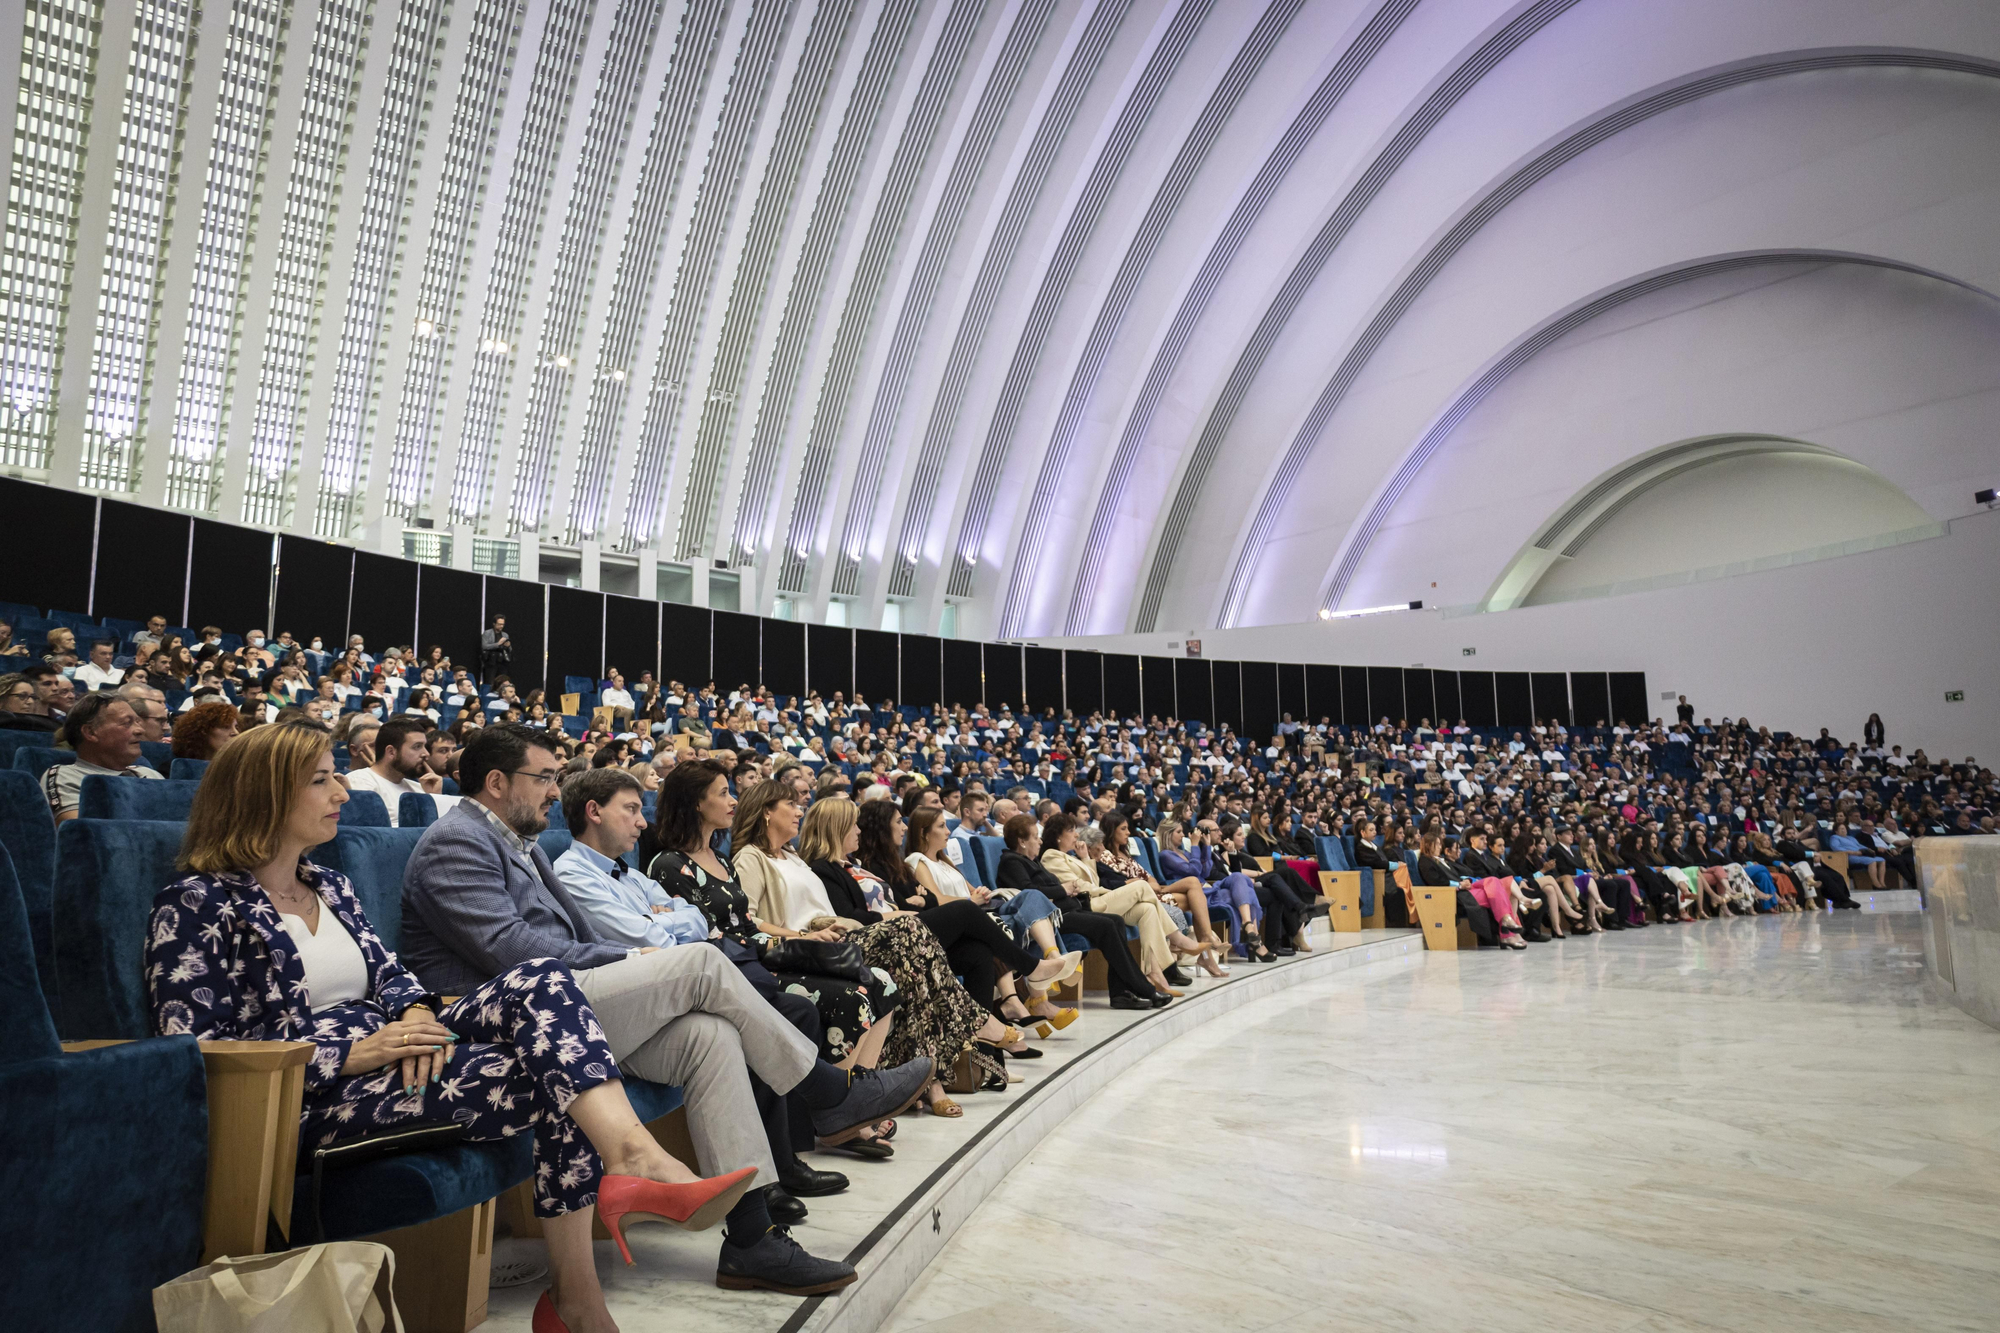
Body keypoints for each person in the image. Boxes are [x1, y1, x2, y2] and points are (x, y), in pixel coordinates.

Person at [145, 722, 763, 1333]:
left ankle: (621, 1192)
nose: (341, 794)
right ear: (265, 795)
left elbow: (394, 978)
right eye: (322, 781)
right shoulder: (198, 902)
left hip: (404, 1048)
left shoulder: (327, 885)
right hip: (306, 1093)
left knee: (544, 981)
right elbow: (194, 1047)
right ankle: (582, 1291)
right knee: (557, 1076)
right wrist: (351, 1053)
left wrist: (415, 1017)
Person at [398, 723, 928, 1293]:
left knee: (709, 1037)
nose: (556, 791)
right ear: (497, 782)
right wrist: (634, 955)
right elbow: (513, 952)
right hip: (509, 1021)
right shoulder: (456, 841)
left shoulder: (517, 843)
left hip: (559, 1005)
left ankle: (752, 1239)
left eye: (556, 777)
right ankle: (830, 1095)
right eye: (545, 778)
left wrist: (629, 958)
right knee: (700, 961)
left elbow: (561, 942)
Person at [807, 795, 1069, 1115]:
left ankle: (981, 1060)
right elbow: (854, 916)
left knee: (977, 953)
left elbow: (920, 901)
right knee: (964, 912)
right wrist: (903, 911)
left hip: (900, 934)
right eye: (897, 822)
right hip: (878, 940)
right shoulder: (833, 868)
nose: (859, 830)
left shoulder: (858, 867)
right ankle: (1003, 997)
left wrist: (909, 907)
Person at [43, 692, 163, 819]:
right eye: (127, 723)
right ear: (91, 732)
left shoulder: (150, 774)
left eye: (137, 722)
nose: (140, 730)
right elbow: (83, 832)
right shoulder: (66, 777)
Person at [342, 716, 441, 824]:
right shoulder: (361, 780)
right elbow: (370, 833)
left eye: (424, 746)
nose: (426, 754)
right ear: (391, 752)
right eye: (417, 747)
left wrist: (433, 797)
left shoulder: (420, 788)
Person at [171, 699, 241, 762]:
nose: (236, 733)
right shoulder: (173, 768)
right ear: (202, 731)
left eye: (236, 727)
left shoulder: (239, 767)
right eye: (225, 727)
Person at [480, 614, 511, 684]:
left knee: (502, 681)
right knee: (490, 681)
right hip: (491, 661)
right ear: (494, 624)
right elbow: (484, 646)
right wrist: (498, 644)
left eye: (503, 624)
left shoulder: (505, 635)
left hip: (502, 661)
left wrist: (508, 646)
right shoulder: (487, 633)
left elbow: (510, 649)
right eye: (499, 624)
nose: (501, 626)